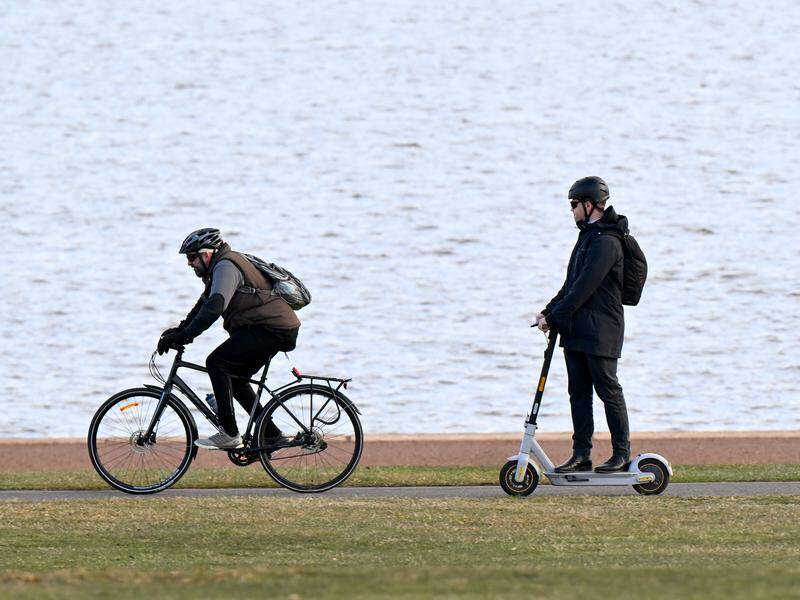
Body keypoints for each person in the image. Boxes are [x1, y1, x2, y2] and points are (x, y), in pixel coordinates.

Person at [157, 228, 301, 449]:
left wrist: (186, 336)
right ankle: (271, 434)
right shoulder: (219, 267)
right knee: (236, 378)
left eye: (191, 257)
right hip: (270, 328)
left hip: (273, 329)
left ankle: (229, 432)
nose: (189, 264)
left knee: (217, 362)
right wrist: (180, 329)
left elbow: (215, 307)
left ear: (206, 253)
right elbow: (204, 303)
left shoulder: (226, 266)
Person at [534, 176, 631, 473]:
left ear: (590, 205)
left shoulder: (607, 242)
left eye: (574, 204)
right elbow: (570, 285)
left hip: (602, 330)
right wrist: (548, 311)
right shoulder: (588, 237)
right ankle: (581, 454)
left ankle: (621, 453)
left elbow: (584, 288)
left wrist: (556, 317)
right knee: (578, 392)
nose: (572, 210)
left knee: (608, 389)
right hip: (577, 328)